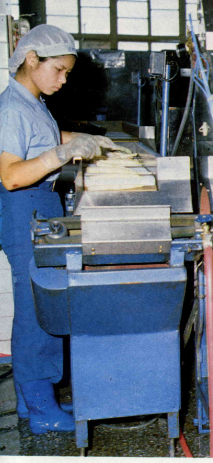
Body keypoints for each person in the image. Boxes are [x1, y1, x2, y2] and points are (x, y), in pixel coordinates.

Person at [0, 24, 130, 434]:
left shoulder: (31, 102)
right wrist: (63, 153)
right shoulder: (12, 108)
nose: (63, 80)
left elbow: (47, 136)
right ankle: (42, 410)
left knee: (37, 302)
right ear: (31, 59)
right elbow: (11, 176)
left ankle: (30, 402)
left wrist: (93, 141)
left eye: (67, 73)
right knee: (39, 308)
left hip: (38, 207)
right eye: (58, 70)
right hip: (24, 207)